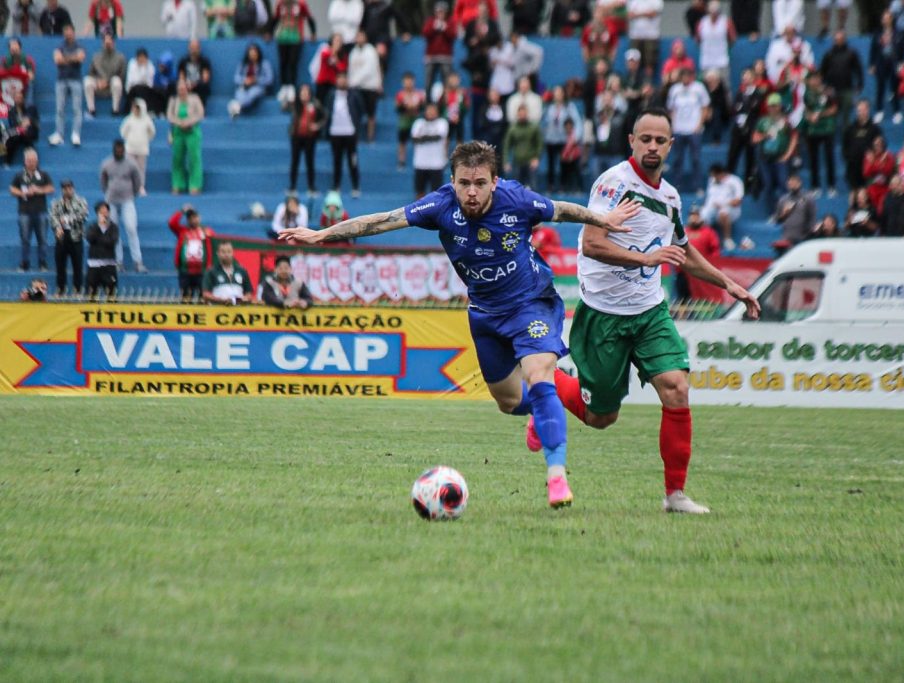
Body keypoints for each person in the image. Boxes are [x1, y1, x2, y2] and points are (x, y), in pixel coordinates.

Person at [279, 140, 639, 509]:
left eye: (480, 183)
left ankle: (556, 477)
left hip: (532, 302)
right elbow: (384, 220)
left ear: (494, 182)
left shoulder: (517, 200)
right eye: (464, 182)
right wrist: (324, 234)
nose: (471, 191)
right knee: (508, 401)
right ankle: (540, 412)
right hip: (484, 313)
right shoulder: (440, 205)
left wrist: (603, 220)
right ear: (452, 181)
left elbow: (561, 210)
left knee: (539, 374)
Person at [530, 109, 760, 514]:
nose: (652, 147)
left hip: (650, 312)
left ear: (671, 145)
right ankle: (550, 390)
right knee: (602, 418)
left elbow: (683, 252)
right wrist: (648, 258)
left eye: (660, 140)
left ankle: (675, 495)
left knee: (676, 388)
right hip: (603, 314)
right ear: (632, 141)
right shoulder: (614, 184)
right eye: (646, 139)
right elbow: (591, 243)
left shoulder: (670, 197)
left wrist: (728, 283)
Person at [100, 139, 145, 272]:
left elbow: (137, 181)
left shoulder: (131, 164)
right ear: (113, 150)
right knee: (114, 231)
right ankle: (118, 261)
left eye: (121, 150)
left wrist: (132, 193)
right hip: (111, 202)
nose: (119, 152)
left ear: (124, 150)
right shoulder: (106, 164)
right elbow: (103, 182)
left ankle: (137, 261)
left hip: (127, 200)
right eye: (116, 150)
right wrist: (109, 193)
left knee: (131, 228)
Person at [665, 66, 709, 194]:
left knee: (695, 159)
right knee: (677, 159)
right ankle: (676, 187)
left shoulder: (699, 88)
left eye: (687, 76)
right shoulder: (675, 90)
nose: (685, 79)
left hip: (693, 128)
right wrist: (672, 125)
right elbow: (671, 108)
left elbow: (705, 107)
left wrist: (699, 124)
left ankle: (698, 186)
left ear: (691, 76)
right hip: (679, 128)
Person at [10, 147, 52, 271]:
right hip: (24, 212)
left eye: (33, 160)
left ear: (37, 161)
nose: (31, 163)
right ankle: (25, 262)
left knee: (43, 239)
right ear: (25, 161)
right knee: (25, 239)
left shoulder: (43, 174)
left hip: (41, 211)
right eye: (29, 160)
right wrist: (23, 193)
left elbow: (51, 188)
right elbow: (12, 189)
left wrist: (39, 190)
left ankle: (42, 262)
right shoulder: (19, 175)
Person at [753, 93, 798, 208]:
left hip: (781, 157)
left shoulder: (786, 121)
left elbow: (794, 137)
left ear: (780, 106)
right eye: (770, 106)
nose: (772, 108)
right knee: (768, 184)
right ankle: (772, 212)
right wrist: (765, 136)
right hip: (765, 157)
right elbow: (754, 139)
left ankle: (786, 210)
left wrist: (788, 155)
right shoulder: (763, 121)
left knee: (784, 183)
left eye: (775, 106)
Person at [268, 0, 317, 107]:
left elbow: (309, 18)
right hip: (282, 38)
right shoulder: (280, 4)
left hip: (296, 37)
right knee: (283, 62)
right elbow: (275, 19)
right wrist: (269, 32)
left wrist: (313, 33)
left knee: (293, 62)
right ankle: (283, 87)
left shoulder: (301, 4)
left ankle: (291, 87)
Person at [802, 70, 838, 197]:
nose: (814, 81)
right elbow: (806, 110)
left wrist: (820, 115)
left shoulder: (829, 91)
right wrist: (809, 116)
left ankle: (831, 186)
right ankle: (815, 186)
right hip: (813, 130)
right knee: (814, 159)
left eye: (816, 78)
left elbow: (834, 109)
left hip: (827, 128)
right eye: (812, 79)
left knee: (829, 157)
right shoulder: (807, 93)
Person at [326, 71, 363, 196]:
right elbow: (328, 111)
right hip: (335, 132)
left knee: (352, 160)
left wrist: (356, 127)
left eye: (344, 78)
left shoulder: (354, 94)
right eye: (339, 78)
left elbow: (360, 110)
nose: (342, 81)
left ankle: (355, 186)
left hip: (350, 132)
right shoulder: (331, 95)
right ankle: (336, 187)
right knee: (337, 161)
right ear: (336, 80)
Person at [49, 178, 87, 295]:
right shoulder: (56, 203)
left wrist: (67, 220)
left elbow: (83, 215)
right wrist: (57, 227)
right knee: (60, 265)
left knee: (77, 265)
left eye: (69, 188)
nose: (67, 191)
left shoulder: (80, 201)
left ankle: (78, 289)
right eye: (65, 188)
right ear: (62, 190)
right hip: (61, 237)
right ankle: (61, 288)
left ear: (73, 188)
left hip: (76, 237)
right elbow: (52, 217)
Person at [167, 78, 205, 195]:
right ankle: (178, 184)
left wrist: (188, 122)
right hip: (178, 132)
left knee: (194, 159)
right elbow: (169, 115)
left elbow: (200, 113)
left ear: (188, 88)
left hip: (192, 131)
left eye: (183, 88)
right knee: (177, 159)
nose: (181, 91)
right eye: (179, 89)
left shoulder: (195, 99)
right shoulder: (173, 100)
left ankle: (195, 185)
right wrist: (179, 123)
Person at [48, 23, 84, 147]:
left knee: (77, 109)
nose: (68, 33)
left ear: (73, 32)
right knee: (60, 109)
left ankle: (76, 134)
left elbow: (80, 58)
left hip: (75, 80)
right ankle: (59, 134)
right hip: (61, 80)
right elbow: (57, 59)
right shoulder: (59, 46)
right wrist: (72, 58)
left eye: (70, 31)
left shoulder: (79, 46)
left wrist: (65, 58)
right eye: (65, 31)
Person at [819, 30, 862, 131]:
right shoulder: (828, 54)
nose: (838, 41)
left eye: (841, 39)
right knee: (832, 115)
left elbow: (858, 69)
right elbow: (822, 71)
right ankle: (831, 140)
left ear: (845, 40)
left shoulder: (851, 53)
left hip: (847, 89)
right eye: (836, 39)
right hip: (832, 90)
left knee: (846, 117)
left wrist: (860, 84)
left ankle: (846, 141)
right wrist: (823, 86)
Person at [167, 205, 213, 301]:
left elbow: (215, 245)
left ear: (199, 217)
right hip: (185, 272)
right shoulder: (182, 231)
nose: (193, 220)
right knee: (186, 298)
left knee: (203, 298)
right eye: (190, 218)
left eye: (195, 217)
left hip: (202, 272)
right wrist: (182, 211)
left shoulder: (207, 231)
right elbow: (172, 223)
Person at [287, 83, 324, 196]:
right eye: (302, 92)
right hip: (297, 137)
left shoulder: (315, 104)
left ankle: (311, 187)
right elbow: (285, 108)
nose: (304, 94)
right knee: (295, 161)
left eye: (306, 92)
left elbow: (324, 116)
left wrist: (317, 125)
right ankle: (292, 187)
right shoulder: (295, 104)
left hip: (310, 137)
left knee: (310, 162)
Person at [348, 29, 383, 142]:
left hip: (370, 87)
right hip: (357, 88)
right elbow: (351, 70)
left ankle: (370, 137)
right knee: (355, 112)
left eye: (361, 36)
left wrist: (353, 82)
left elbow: (369, 70)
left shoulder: (371, 51)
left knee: (371, 114)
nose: (359, 39)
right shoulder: (353, 52)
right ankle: (355, 136)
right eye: (357, 36)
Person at [84, 31, 126, 118]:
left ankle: (115, 110)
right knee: (87, 81)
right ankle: (91, 110)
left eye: (109, 42)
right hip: (98, 84)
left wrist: (107, 81)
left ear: (113, 43)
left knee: (117, 81)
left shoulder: (120, 57)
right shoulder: (96, 57)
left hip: (111, 85)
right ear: (103, 43)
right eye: (106, 43)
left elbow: (122, 76)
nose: (108, 45)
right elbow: (90, 73)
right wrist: (98, 81)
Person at [411, 102, 449, 198]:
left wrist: (423, 137)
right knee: (419, 192)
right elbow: (414, 138)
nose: (431, 112)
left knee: (437, 193)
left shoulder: (442, 123)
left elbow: (438, 136)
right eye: (429, 110)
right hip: (420, 163)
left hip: (436, 164)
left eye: (433, 110)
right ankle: (419, 212)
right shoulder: (418, 123)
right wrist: (427, 137)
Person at [701, 163, 743, 250]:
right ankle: (704, 241)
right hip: (713, 208)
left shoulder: (735, 181)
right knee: (701, 216)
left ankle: (727, 240)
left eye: (715, 176)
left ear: (721, 174)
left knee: (723, 212)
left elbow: (738, 201)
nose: (713, 178)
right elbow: (709, 199)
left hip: (731, 209)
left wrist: (723, 204)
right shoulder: (712, 180)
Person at [772, 173, 816, 253]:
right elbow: (777, 220)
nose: (792, 184)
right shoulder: (783, 200)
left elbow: (812, 217)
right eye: (790, 182)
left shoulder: (808, 198)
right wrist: (783, 214)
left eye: (794, 182)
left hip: (803, 237)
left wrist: (808, 233)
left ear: (799, 183)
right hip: (787, 237)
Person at [119, 99, 155, 196]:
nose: (136, 110)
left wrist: (146, 139)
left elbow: (152, 132)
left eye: (138, 108)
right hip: (130, 148)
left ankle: (140, 186)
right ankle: (129, 187)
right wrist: (130, 140)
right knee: (129, 167)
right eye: (134, 108)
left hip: (142, 149)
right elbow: (123, 132)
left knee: (141, 169)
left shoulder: (147, 120)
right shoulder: (129, 119)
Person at [228, 42, 273, 118]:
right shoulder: (243, 64)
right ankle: (236, 108)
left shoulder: (264, 64)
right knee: (239, 94)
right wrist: (244, 80)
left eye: (254, 53)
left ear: (258, 53)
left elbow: (270, 79)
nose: (253, 55)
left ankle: (235, 107)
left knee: (252, 94)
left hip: (258, 87)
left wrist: (256, 80)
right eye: (251, 53)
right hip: (244, 86)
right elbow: (236, 78)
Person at [84, 200, 118, 301]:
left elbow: (111, 242)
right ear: (97, 213)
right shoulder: (92, 226)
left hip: (109, 264)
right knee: (92, 294)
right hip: (94, 264)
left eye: (106, 211)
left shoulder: (113, 227)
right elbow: (90, 238)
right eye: (101, 211)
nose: (104, 213)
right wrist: (100, 227)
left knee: (111, 294)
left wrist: (99, 239)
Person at [503, 104, 542, 188]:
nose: (522, 116)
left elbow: (539, 144)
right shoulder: (513, 128)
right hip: (517, 162)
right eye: (520, 114)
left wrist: (536, 158)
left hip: (530, 162)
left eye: (524, 114)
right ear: (517, 114)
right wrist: (506, 161)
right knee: (517, 188)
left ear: (527, 114)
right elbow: (507, 145)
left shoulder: (534, 127)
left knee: (533, 188)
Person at [695, 0, 733, 85]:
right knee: (705, 85)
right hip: (706, 60)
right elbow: (698, 39)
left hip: (722, 60)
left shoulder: (725, 21)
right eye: (711, 10)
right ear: (708, 10)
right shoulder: (702, 22)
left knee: (724, 85)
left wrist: (725, 48)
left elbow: (732, 38)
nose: (713, 13)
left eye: (715, 10)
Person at [423, 1, 456, 94]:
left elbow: (453, 35)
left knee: (447, 82)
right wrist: (434, 27)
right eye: (438, 11)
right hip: (431, 57)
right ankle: (428, 104)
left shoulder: (450, 22)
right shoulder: (430, 21)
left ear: (446, 12)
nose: (440, 14)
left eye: (442, 11)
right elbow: (425, 33)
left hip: (445, 57)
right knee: (428, 82)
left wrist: (444, 28)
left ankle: (447, 103)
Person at [395, 72, 426, 170]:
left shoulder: (419, 94)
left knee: (418, 142)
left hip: (416, 121)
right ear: (403, 82)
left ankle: (420, 160)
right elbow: (398, 108)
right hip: (404, 121)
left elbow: (422, 107)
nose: (408, 83)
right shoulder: (400, 95)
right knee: (402, 142)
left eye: (410, 81)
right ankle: (401, 161)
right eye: (406, 81)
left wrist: (415, 107)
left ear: (414, 82)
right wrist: (406, 106)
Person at [4, 89, 38, 166]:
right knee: (10, 139)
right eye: (17, 98)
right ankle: (7, 162)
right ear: (14, 99)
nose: (19, 99)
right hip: (17, 132)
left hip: (28, 132)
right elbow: (13, 124)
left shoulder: (29, 108)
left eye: (20, 97)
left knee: (28, 137)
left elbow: (31, 120)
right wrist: (21, 127)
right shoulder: (11, 110)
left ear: (23, 98)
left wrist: (26, 125)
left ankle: (32, 163)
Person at [126, 48, 163, 117]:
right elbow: (133, 81)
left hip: (145, 90)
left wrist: (144, 67)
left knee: (152, 91)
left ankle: (151, 111)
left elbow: (150, 84)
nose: (141, 59)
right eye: (140, 57)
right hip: (132, 91)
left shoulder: (150, 65)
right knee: (138, 88)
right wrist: (143, 69)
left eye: (143, 57)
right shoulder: (132, 64)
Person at [177, 39, 213, 105]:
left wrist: (194, 84)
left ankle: (200, 111)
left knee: (204, 87)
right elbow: (181, 77)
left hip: (198, 86)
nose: (194, 50)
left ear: (199, 48)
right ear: (189, 48)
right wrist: (186, 85)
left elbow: (205, 79)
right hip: (186, 86)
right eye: (192, 48)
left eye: (196, 48)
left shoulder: (204, 62)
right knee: (174, 86)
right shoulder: (183, 61)